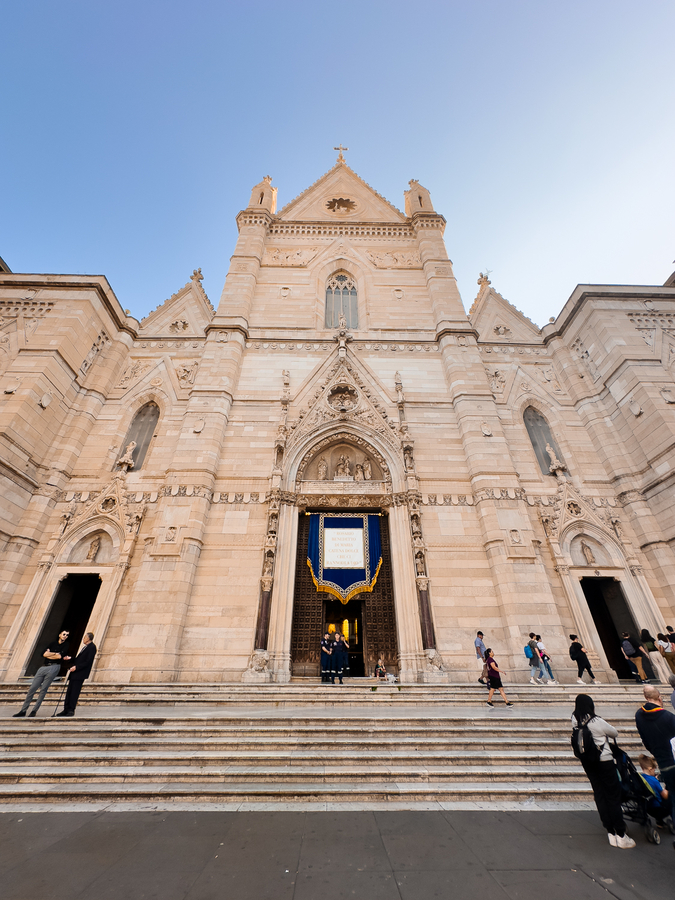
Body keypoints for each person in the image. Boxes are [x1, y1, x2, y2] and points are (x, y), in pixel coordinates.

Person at [571, 694, 635, 848]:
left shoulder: (575, 719)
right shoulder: (596, 721)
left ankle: (610, 832)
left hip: (588, 762)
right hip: (604, 761)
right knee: (612, 796)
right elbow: (614, 733)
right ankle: (621, 834)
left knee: (599, 795)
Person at [635, 686, 675, 841]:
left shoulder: (639, 715)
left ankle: (662, 819)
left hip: (660, 758)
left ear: (646, 697)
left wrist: (655, 752)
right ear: (659, 697)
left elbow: (644, 739)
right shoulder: (668, 717)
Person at [12, 630, 71, 718]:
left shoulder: (66, 645)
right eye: (64, 634)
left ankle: (34, 710)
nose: (65, 636)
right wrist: (55, 654)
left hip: (54, 667)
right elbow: (43, 654)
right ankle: (23, 710)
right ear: (60, 635)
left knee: (43, 689)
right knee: (32, 688)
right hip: (44, 667)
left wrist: (50, 654)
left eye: (67, 635)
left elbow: (59, 656)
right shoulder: (52, 644)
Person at [55, 633, 96, 717]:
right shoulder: (85, 647)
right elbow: (79, 660)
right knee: (69, 692)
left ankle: (71, 710)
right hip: (75, 673)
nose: (83, 639)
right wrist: (70, 659)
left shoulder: (92, 647)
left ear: (88, 638)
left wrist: (76, 667)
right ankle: (66, 709)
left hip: (80, 673)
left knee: (74, 692)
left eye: (85, 637)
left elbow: (88, 662)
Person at [637, 754, 670, 826]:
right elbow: (664, 795)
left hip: (648, 808)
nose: (655, 772)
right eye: (654, 770)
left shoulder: (640, 778)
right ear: (650, 769)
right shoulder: (654, 781)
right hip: (658, 808)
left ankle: (659, 822)